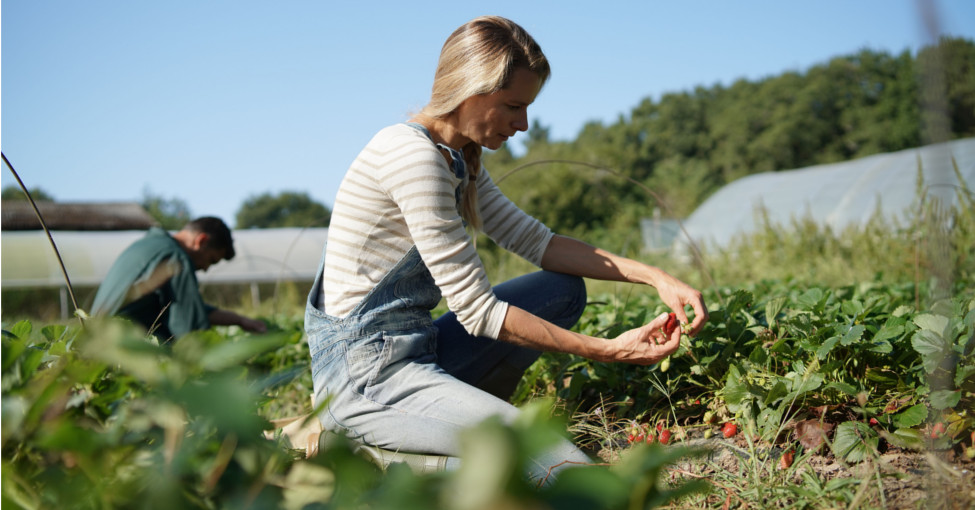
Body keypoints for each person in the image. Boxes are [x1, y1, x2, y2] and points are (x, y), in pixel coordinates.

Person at [304, 16, 708, 484]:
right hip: (365, 376)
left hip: (418, 349)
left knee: (561, 291)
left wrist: (656, 276)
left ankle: (451, 426)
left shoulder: (459, 157)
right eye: (513, 106)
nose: (524, 124)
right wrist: (607, 350)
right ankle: (373, 443)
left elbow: (539, 243)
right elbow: (478, 312)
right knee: (562, 469)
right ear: (469, 91)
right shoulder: (411, 157)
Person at [91, 216, 267, 340]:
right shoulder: (176, 259)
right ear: (202, 241)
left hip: (98, 342)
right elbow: (189, 332)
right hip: (121, 352)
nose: (205, 269)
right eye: (211, 260)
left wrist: (240, 320)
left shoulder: (151, 245)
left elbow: (192, 310)